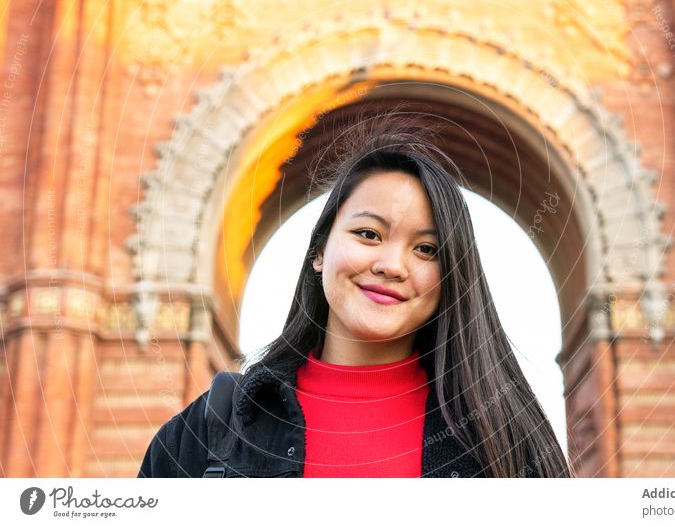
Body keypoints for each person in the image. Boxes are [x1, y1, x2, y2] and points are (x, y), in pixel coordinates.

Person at [138, 112, 573, 478]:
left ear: (451, 277)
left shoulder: (507, 443)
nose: (391, 265)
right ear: (319, 251)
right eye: (368, 233)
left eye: (426, 249)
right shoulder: (210, 430)